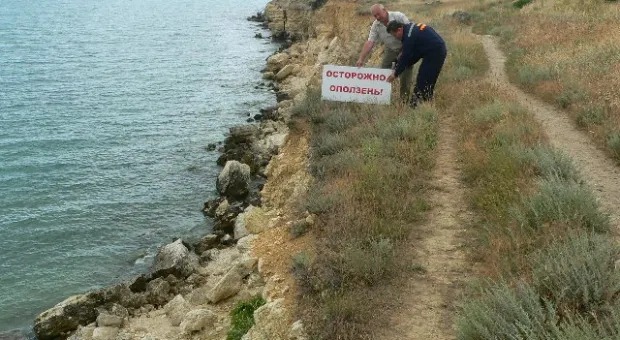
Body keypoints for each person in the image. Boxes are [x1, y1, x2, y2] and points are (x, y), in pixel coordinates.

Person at [355, 4, 413, 101]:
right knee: (383, 72)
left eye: (378, 14)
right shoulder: (376, 25)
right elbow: (370, 42)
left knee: (405, 74)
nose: (377, 17)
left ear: (385, 10)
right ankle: (383, 98)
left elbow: (410, 35)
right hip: (390, 49)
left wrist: (403, 51)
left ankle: (404, 101)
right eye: (375, 16)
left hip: (405, 47)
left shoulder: (399, 16)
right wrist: (361, 58)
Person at [385, 20, 447, 108]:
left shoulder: (409, 36)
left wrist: (395, 74)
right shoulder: (409, 29)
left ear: (399, 30)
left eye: (394, 35)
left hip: (435, 52)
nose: (395, 38)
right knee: (425, 79)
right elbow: (411, 54)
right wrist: (398, 62)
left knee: (424, 80)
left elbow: (406, 56)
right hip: (431, 50)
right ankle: (425, 104)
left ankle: (415, 107)